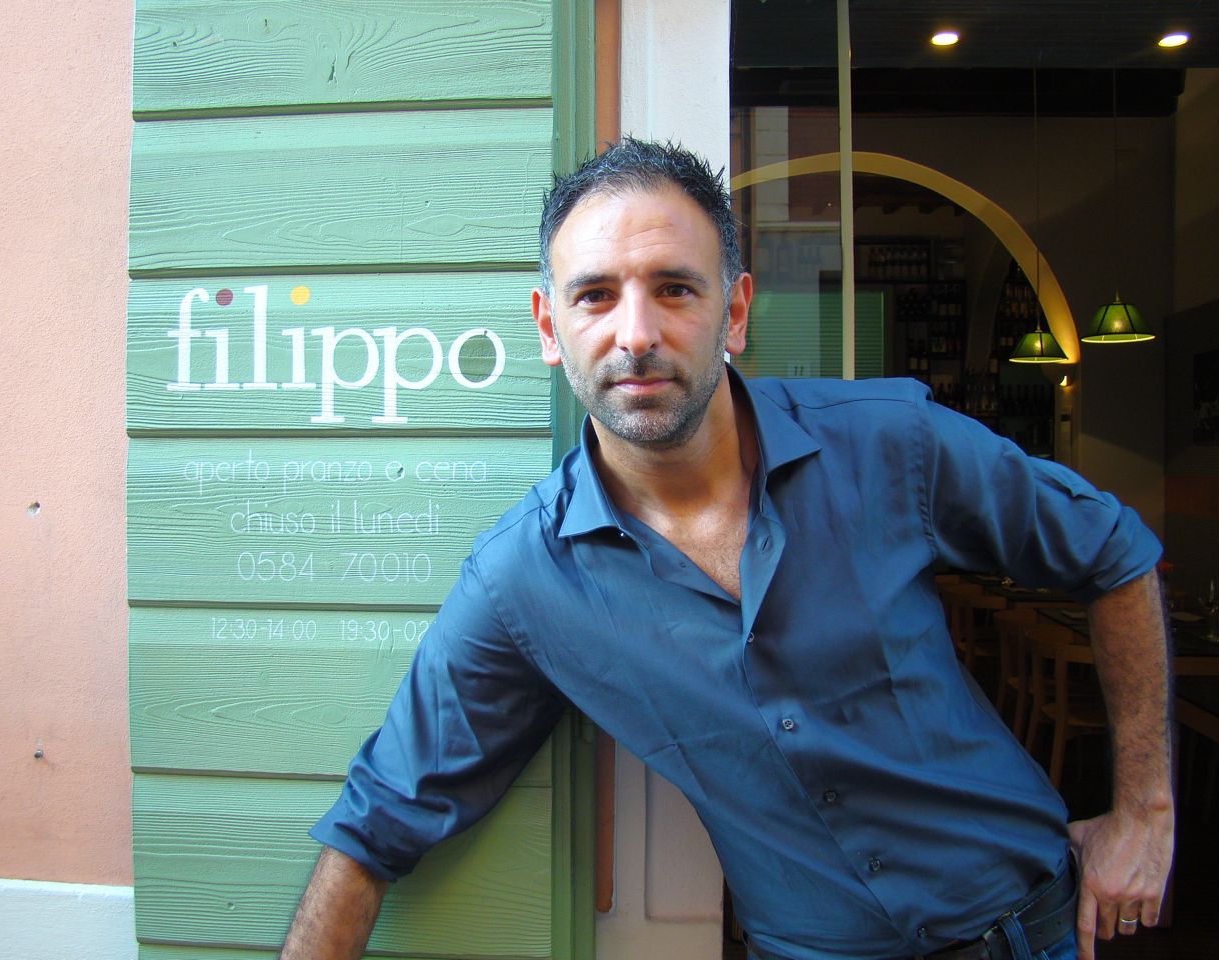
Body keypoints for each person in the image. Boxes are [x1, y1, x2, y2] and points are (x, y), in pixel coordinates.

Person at [279, 139, 1173, 960]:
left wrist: (1146, 812)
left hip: (1037, 932)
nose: (636, 334)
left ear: (734, 311)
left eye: (675, 288)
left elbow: (1112, 553)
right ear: (550, 328)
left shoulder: (889, 440)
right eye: (595, 295)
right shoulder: (527, 578)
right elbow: (379, 817)